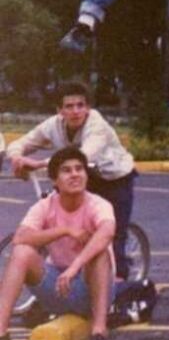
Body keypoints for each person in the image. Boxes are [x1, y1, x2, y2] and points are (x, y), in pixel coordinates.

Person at [6, 82, 135, 281]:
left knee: (111, 232)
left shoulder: (97, 125)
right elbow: (20, 143)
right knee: (65, 219)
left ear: (88, 107)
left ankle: (118, 285)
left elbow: (81, 157)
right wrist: (17, 157)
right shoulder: (53, 125)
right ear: (59, 110)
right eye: (69, 106)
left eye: (80, 105)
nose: (76, 111)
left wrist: (39, 163)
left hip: (114, 178)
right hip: (84, 175)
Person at [0, 147, 116, 340]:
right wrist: (64, 230)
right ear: (55, 180)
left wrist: (74, 267)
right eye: (66, 170)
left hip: (93, 289)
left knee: (100, 254)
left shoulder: (99, 205)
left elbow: (107, 233)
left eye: (79, 169)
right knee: (22, 252)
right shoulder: (45, 206)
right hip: (59, 287)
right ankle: (0, 330)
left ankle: (99, 333)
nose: (74, 174)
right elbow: (20, 237)